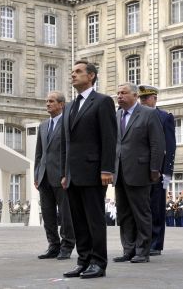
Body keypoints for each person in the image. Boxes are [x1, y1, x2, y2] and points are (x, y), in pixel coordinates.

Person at [61, 60, 117, 279]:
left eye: (78, 72)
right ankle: (83, 260)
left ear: (91, 76)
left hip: (94, 172)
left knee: (94, 220)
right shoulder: (72, 105)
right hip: (73, 174)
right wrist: (65, 173)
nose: (73, 75)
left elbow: (109, 138)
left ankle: (98, 263)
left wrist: (106, 169)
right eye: (72, 72)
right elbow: (66, 142)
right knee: (78, 221)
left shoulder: (102, 102)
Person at [113, 83, 165, 264]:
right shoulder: (117, 114)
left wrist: (154, 169)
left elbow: (157, 144)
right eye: (118, 93)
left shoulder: (148, 114)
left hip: (141, 172)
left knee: (141, 213)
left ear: (135, 96)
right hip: (119, 172)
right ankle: (128, 249)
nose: (119, 96)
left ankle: (143, 251)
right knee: (124, 214)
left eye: (124, 93)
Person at [35, 91, 75, 260]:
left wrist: (67, 174)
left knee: (66, 214)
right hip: (44, 177)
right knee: (47, 213)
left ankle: (67, 246)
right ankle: (53, 245)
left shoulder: (68, 123)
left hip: (61, 176)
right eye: (47, 101)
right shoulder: (43, 126)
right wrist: (37, 174)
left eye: (51, 101)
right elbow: (39, 153)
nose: (48, 104)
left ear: (61, 104)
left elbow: (71, 151)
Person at [138, 85, 176, 256]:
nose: (143, 101)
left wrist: (167, 171)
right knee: (141, 207)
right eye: (141, 99)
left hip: (158, 169)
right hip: (139, 168)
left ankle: (155, 243)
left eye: (146, 98)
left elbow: (170, 144)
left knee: (156, 207)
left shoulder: (164, 117)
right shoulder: (136, 116)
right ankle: (142, 241)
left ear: (155, 98)